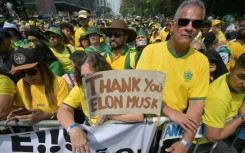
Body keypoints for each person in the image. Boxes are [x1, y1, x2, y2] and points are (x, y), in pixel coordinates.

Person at [136, 0, 209, 153]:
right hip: (144, 128)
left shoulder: (201, 61)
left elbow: (196, 104)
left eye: (196, 24)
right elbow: (140, 92)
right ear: (172, 25)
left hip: (174, 133)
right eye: (184, 22)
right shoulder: (150, 51)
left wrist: (186, 142)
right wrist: (170, 111)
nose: (189, 28)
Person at [57, 52, 143, 153]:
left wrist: (109, 116)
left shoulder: (118, 85)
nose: (87, 80)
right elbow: (63, 109)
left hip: (120, 139)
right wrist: (72, 129)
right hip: (96, 141)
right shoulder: (80, 87)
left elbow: (138, 116)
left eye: (91, 75)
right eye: (83, 76)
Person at [189, 53, 245, 153]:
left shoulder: (234, 84)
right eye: (241, 77)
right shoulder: (219, 97)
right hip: (201, 143)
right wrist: (241, 117)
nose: (244, 85)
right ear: (231, 69)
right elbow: (213, 136)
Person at [7, 48, 70, 124]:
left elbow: (67, 112)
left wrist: (44, 115)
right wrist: (18, 113)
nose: (27, 77)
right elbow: (21, 107)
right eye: (21, 74)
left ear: (42, 68)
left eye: (31, 72)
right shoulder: (20, 84)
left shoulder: (59, 82)